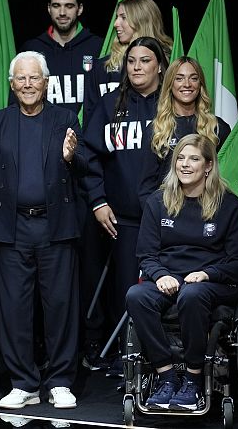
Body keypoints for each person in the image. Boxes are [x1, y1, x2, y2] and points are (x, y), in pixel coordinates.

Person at [0, 51, 88, 410]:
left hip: (55, 228)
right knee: (13, 309)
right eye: (20, 79)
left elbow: (83, 170)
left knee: (60, 307)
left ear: (46, 83)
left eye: (34, 78)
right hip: (11, 228)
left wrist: (71, 158)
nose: (27, 84)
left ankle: (61, 382)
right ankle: (23, 383)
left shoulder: (66, 119)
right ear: (11, 85)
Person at [126, 134, 238, 410]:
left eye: (194, 159)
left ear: (208, 165)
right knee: (136, 295)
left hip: (212, 281)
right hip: (169, 278)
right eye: (181, 158)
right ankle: (167, 376)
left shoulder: (229, 206)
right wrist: (160, 275)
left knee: (192, 295)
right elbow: (146, 254)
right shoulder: (158, 202)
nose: (185, 164)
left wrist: (208, 273)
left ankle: (194, 380)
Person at [81, 37, 169, 373]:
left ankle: (165, 357)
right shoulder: (109, 105)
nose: (136, 67)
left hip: (171, 220)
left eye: (144, 61)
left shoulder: (173, 104)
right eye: (131, 61)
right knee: (126, 291)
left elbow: (210, 133)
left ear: (160, 65)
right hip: (125, 220)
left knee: (167, 289)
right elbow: (88, 157)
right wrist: (99, 201)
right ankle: (128, 357)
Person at [137, 56, 232, 206]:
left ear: (200, 84)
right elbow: (146, 188)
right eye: (179, 78)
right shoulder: (157, 130)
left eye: (193, 78)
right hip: (169, 213)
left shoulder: (217, 128)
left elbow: (227, 177)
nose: (187, 84)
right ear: (170, 84)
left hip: (208, 213)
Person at [20, 0, 104, 115]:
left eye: (69, 6)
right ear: (49, 8)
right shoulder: (31, 49)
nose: (62, 12)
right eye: (56, 6)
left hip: (86, 135)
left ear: (80, 9)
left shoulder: (98, 47)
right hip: (43, 134)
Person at [83, 0, 172, 122]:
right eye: (117, 17)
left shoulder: (169, 62)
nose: (115, 24)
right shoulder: (102, 66)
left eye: (123, 18)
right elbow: (90, 119)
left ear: (141, 20)